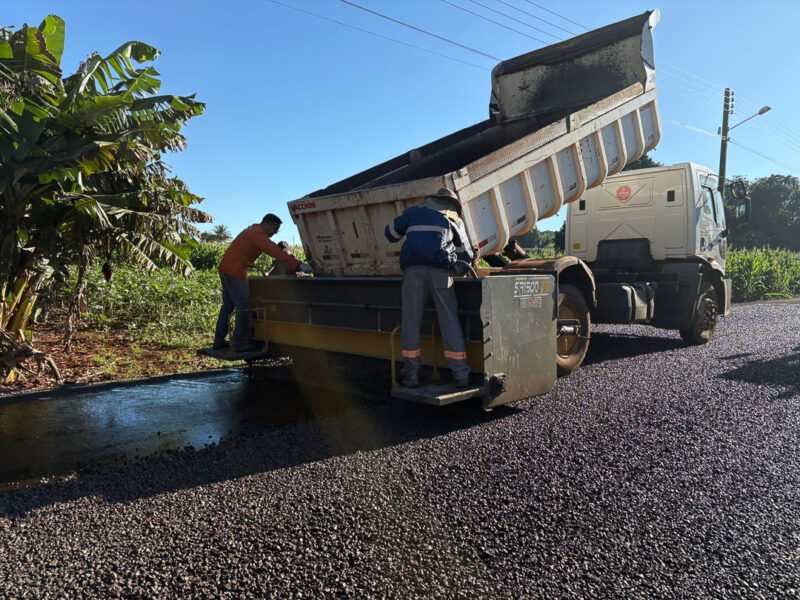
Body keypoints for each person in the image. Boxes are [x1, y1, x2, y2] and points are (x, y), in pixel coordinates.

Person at [384, 187, 474, 388]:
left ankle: (411, 375)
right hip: (441, 273)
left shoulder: (414, 211)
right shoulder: (453, 219)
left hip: (413, 272)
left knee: (411, 321)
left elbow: (390, 233)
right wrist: (456, 272)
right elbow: (466, 255)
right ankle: (461, 375)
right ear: (451, 204)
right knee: (449, 321)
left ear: (432, 200)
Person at [214, 214, 312, 352]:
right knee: (243, 307)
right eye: (275, 229)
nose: (275, 233)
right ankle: (238, 343)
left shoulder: (252, 230)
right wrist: (298, 265)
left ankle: (218, 341)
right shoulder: (258, 234)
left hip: (226, 269)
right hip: (235, 272)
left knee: (228, 306)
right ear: (267, 224)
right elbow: (274, 251)